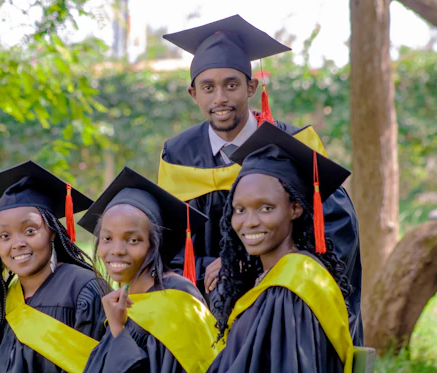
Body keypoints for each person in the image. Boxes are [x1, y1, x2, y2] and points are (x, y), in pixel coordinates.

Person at [157, 14, 363, 344]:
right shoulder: (179, 154)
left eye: (232, 85)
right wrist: (213, 265)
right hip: (203, 306)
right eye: (208, 87)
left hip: (282, 303)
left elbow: (336, 231)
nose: (220, 98)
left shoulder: (292, 147)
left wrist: (246, 262)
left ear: (251, 87)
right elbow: (168, 237)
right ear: (193, 93)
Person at [207, 123, 354, 372]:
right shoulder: (273, 276)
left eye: (266, 208)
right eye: (239, 210)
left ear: (295, 209)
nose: (249, 222)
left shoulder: (291, 287)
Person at [0, 160, 107, 373]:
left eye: (30, 231)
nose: (17, 243)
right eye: (5, 235)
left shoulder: (84, 289)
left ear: (51, 231)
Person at [78, 167, 220, 373]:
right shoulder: (123, 301)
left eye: (132, 240)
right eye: (107, 238)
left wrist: (118, 330)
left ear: (154, 245)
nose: (116, 250)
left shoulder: (175, 301)